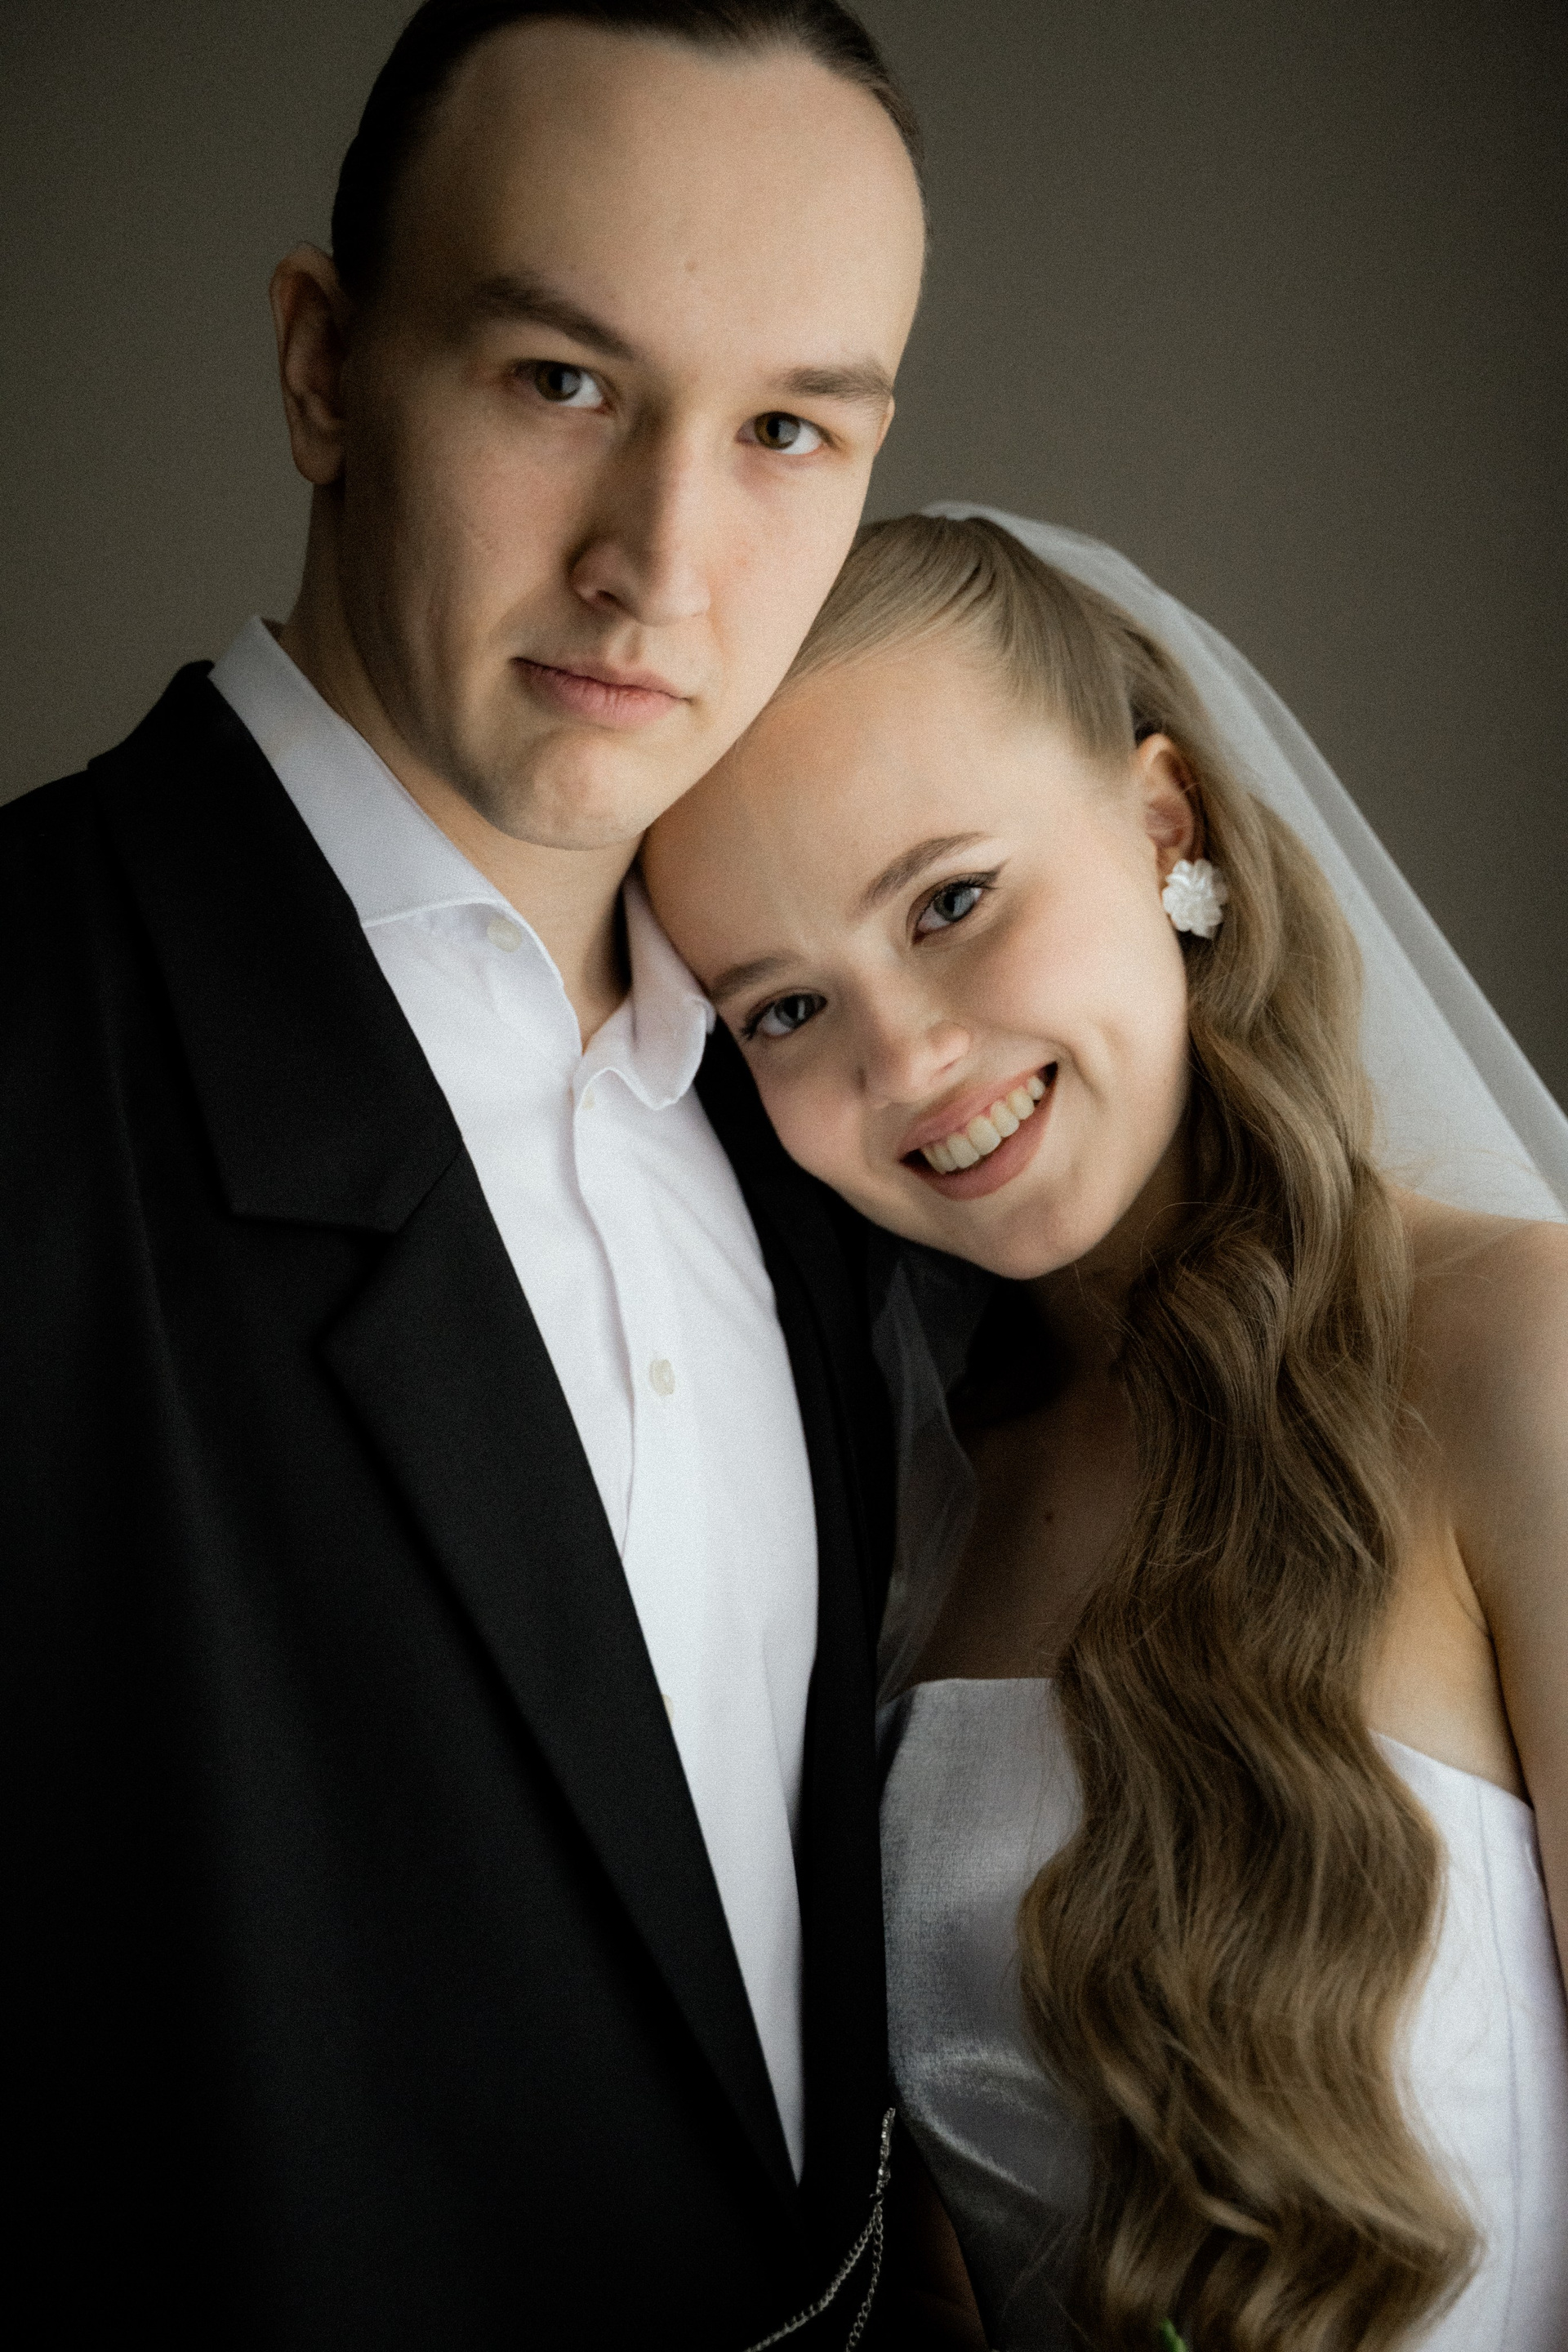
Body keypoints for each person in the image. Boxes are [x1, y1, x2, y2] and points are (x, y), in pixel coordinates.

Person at [0, 5, 926, 2341]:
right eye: (563, 382)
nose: (662, 566)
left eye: (789, 430)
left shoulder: (857, 1107)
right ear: (324, 366)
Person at [644, 511, 1568, 2351]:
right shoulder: (897, 1507)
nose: (906, 1063)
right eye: (789, 1007)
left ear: (1164, 826)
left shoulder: (1514, 1357)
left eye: (950, 903)